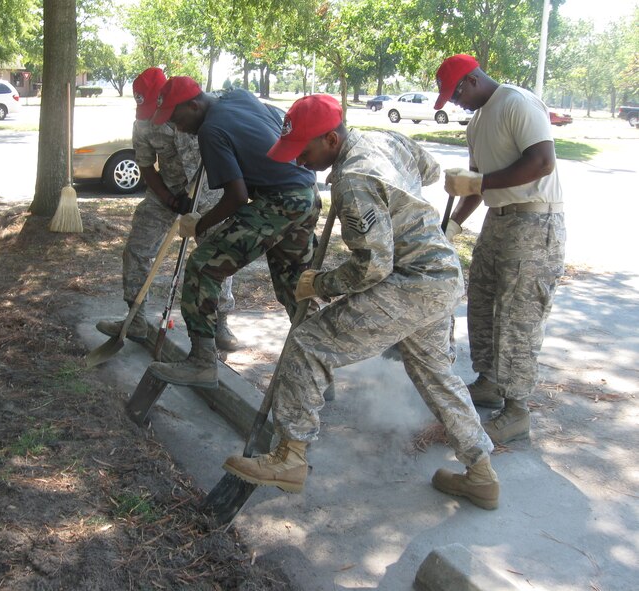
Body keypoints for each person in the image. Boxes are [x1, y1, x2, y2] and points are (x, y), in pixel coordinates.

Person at [221, 94, 500, 510]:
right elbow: (428, 169)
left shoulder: (353, 180)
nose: (298, 162)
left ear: (332, 140)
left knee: (308, 343)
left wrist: (319, 283)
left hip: (413, 280)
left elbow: (373, 268)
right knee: (435, 373)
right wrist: (397, 202)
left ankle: (289, 457)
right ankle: (481, 473)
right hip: (441, 275)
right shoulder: (384, 138)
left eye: (304, 151)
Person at [145, 77, 321, 390]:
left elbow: (236, 197)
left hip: (278, 200)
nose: (176, 127)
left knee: (203, 266)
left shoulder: (211, 131)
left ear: (194, 105)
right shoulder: (239, 97)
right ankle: (320, 368)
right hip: (306, 193)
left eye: (177, 118)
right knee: (295, 287)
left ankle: (201, 363)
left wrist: (198, 225)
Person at [435, 54, 566, 444]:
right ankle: (490, 382)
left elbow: (542, 162)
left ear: (471, 80)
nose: (455, 103)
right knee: (484, 301)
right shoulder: (476, 123)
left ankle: (517, 411)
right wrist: (454, 223)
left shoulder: (517, 103)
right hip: (499, 220)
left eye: (455, 94)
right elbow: (480, 183)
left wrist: (478, 184)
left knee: (518, 315)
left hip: (534, 220)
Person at [95, 67, 239, 352]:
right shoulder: (143, 125)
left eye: (153, 106)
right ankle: (134, 318)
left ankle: (220, 322)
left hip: (209, 193)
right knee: (137, 248)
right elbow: (146, 166)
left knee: (218, 255)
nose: (149, 114)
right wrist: (171, 199)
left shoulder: (201, 108)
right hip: (168, 193)